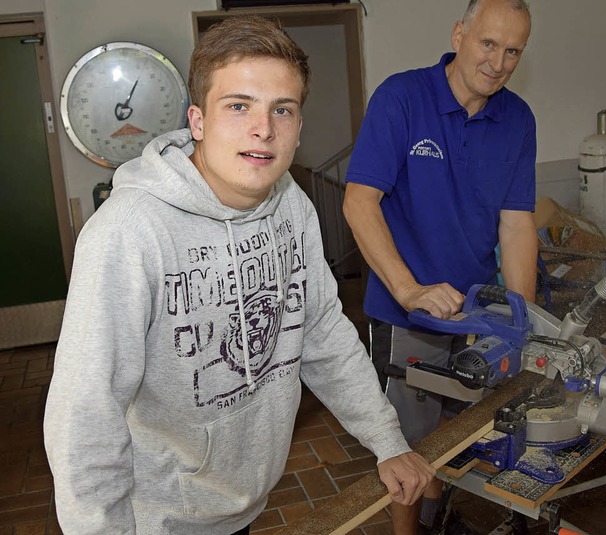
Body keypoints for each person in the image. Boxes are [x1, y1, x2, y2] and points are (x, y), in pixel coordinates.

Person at [44, 15, 436, 535]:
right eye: (238, 106)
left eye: (283, 109)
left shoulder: (292, 206)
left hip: (245, 502)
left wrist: (388, 440)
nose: (263, 129)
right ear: (198, 121)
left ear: (299, 126)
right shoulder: (128, 232)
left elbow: (321, 331)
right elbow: (85, 415)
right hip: (159, 519)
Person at [343, 0, 538, 533]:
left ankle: (435, 516)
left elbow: (517, 225)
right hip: (410, 316)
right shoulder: (402, 98)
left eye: (513, 50)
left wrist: (524, 320)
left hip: (477, 315)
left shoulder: (517, 118)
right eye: (488, 44)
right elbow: (359, 202)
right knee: (407, 445)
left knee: (459, 431)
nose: (498, 62)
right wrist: (409, 290)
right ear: (459, 34)